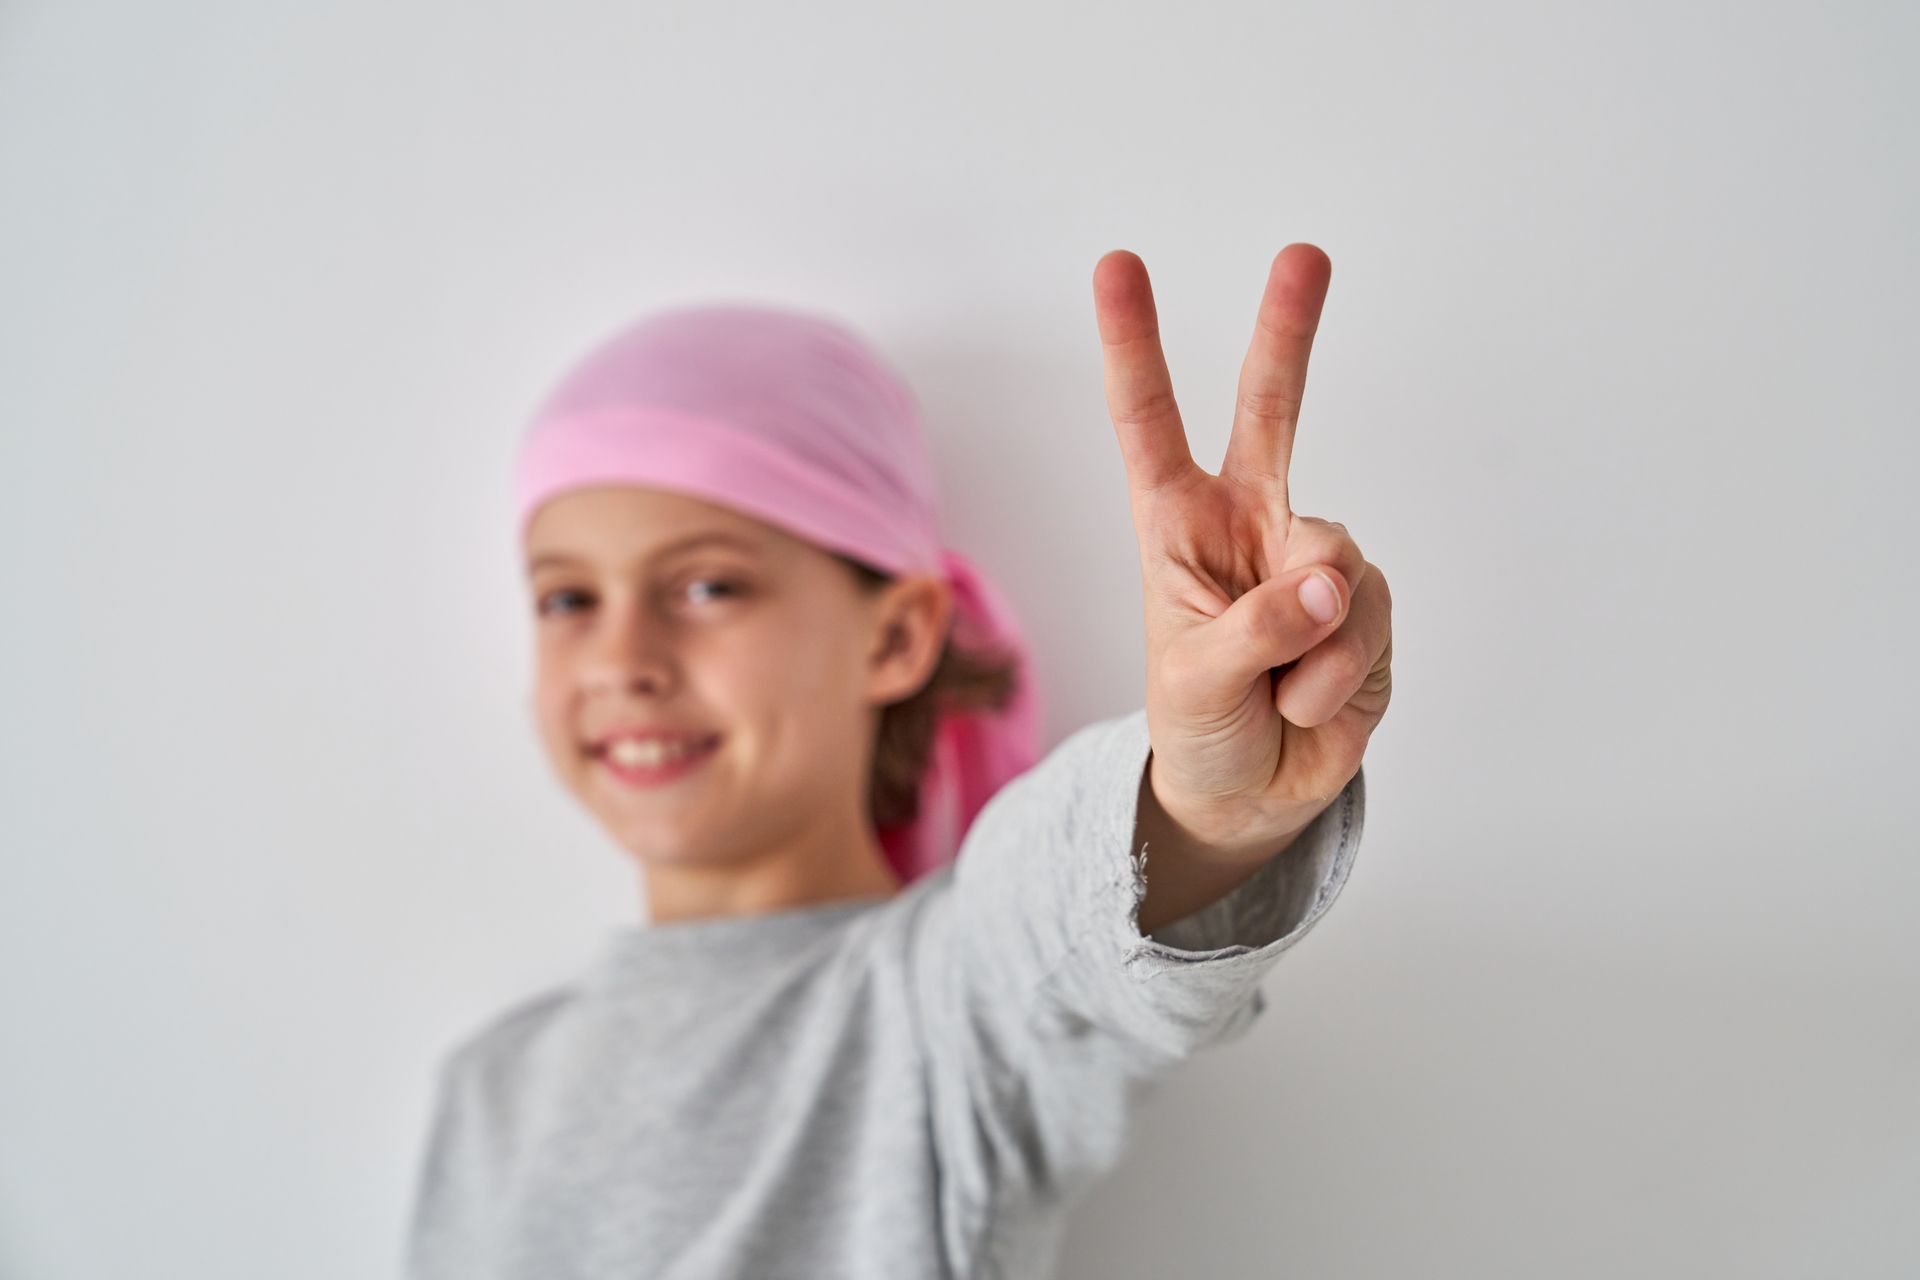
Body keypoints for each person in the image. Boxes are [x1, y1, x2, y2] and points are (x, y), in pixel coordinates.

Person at [405, 244, 1394, 1279]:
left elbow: (1058, 915)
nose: (621, 660)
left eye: (707, 588)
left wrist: (1207, 806)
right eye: (568, 599)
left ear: (896, 635)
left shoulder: (944, 1008)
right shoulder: (488, 1088)